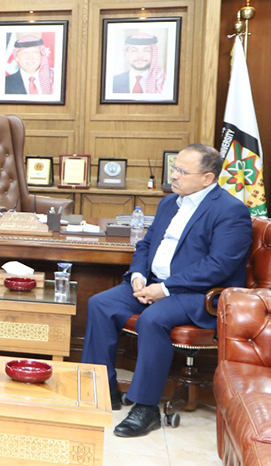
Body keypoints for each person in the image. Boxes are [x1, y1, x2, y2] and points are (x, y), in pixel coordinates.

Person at [82, 144, 251, 437]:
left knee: (153, 319)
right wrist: (138, 276)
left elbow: (219, 265)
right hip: (153, 284)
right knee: (101, 304)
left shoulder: (230, 210)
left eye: (182, 172)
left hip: (199, 295)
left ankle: (146, 408)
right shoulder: (169, 203)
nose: (173, 176)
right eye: (175, 169)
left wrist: (164, 288)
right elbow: (146, 244)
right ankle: (102, 389)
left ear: (207, 178)